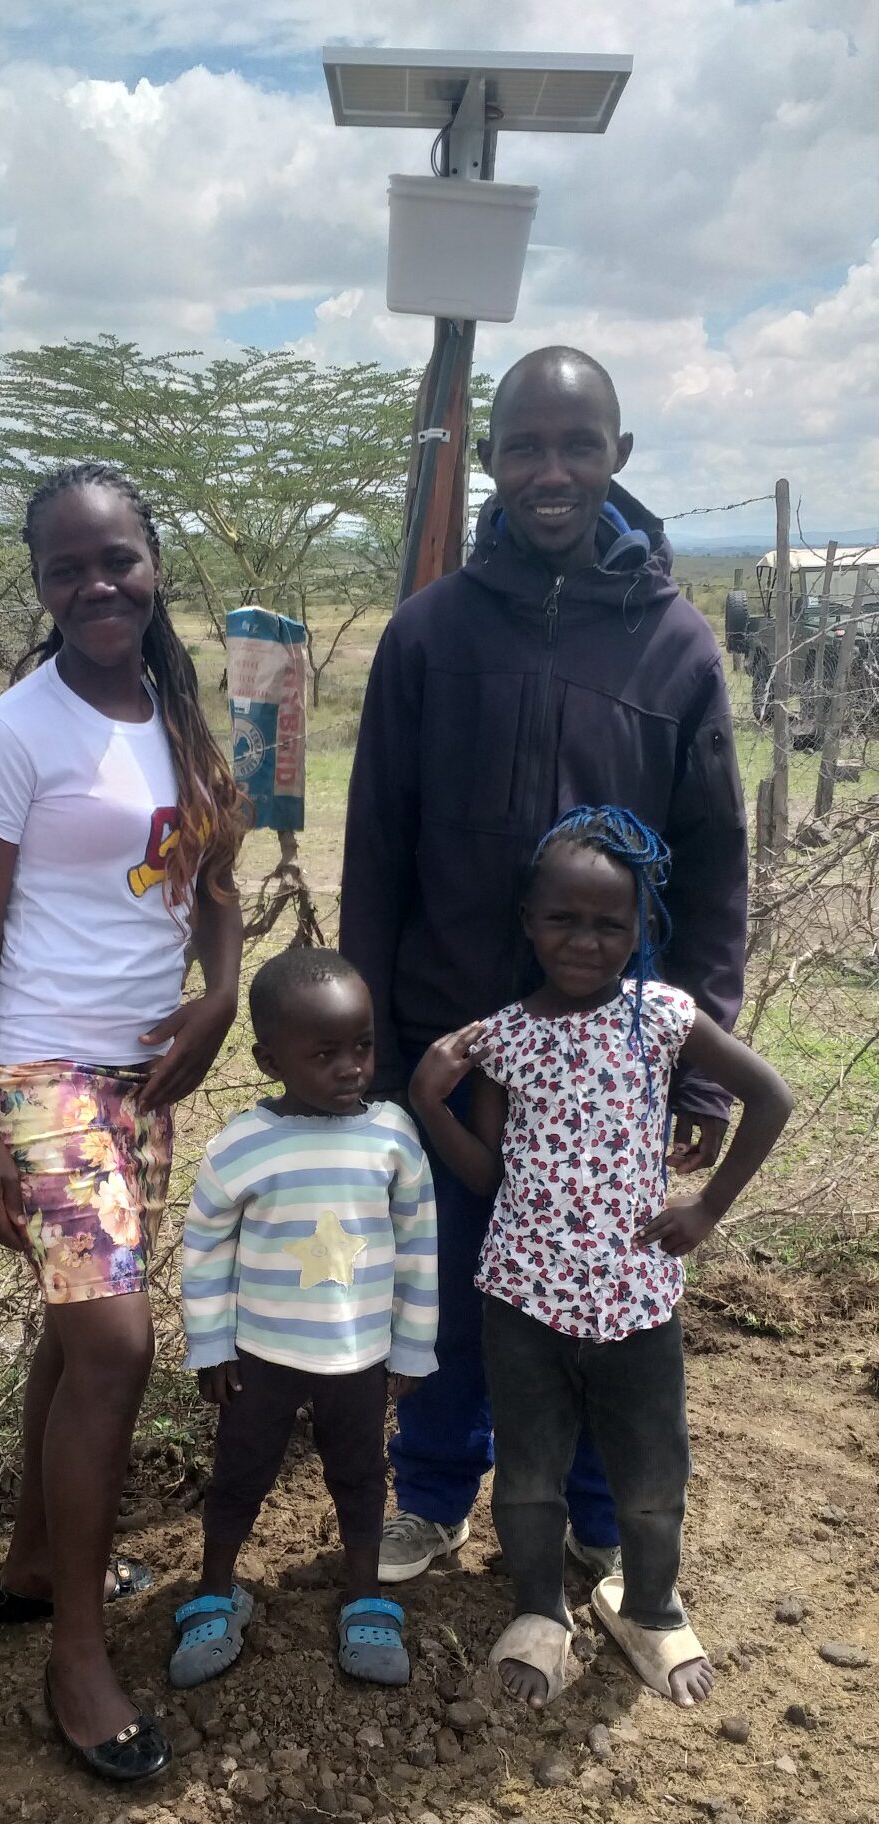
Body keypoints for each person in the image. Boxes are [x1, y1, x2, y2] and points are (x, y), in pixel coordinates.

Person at [340, 345, 748, 1583]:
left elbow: (715, 865)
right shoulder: (428, 635)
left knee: (605, 1303)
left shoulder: (675, 649)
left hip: (615, 1074)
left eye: (578, 445)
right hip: (451, 1049)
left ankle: (598, 1511)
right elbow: (378, 853)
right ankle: (431, 1488)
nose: (551, 470)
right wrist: (373, 1052)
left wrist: (701, 1069)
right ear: (491, 463)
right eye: (524, 445)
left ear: (618, 457)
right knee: (457, 1290)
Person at [0, 461, 246, 1782]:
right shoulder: (10, 735)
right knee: (116, 1343)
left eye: (114, 557)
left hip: (141, 1079)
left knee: (74, 1341)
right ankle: (77, 1651)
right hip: (44, 1077)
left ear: (153, 559)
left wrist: (221, 998)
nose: (95, 585)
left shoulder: (181, 712)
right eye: (66, 569)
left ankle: (24, 1561)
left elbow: (218, 882)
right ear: (43, 587)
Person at [410, 806, 791, 1708]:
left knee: (655, 1478)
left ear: (640, 931)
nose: (585, 941)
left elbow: (768, 1098)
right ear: (529, 923)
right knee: (530, 1473)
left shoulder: (658, 1018)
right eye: (564, 920)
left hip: (637, 1303)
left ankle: (650, 1609)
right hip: (523, 1302)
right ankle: (540, 1610)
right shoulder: (504, 1038)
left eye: (610, 925)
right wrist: (433, 1105)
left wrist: (706, 1210)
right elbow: (488, 1179)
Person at [170, 949, 438, 1690]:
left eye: (362, 1046)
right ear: (268, 1059)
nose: (350, 1067)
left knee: (359, 1475)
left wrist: (412, 1349)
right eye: (324, 1054)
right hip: (260, 1355)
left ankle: (365, 1594)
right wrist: (211, 1346)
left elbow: (420, 1248)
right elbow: (204, 1250)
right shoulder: (241, 1147)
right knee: (238, 1475)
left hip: (359, 1360)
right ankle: (215, 1590)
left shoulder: (392, 1137)